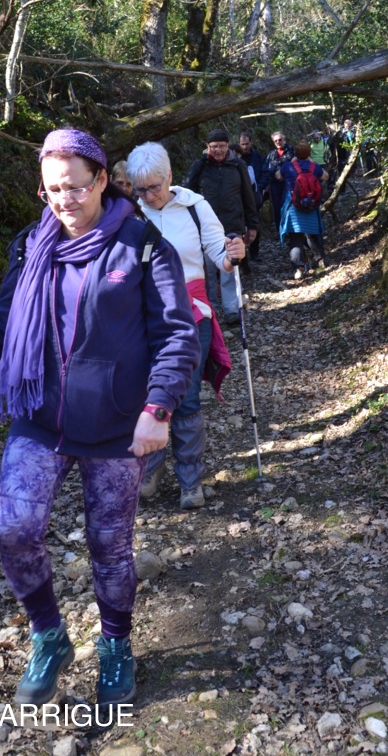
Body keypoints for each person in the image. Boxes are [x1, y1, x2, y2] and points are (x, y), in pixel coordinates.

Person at [0, 128, 200, 712]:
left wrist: (158, 409)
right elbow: (3, 324)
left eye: (76, 187)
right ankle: (49, 635)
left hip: (118, 426)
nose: (65, 200)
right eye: (52, 190)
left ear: (101, 179)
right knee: (13, 529)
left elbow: (177, 333)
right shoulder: (31, 245)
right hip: (39, 416)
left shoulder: (142, 245)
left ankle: (115, 644)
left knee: (109, 546)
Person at [126, 142, 245, 510]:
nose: (149, 196)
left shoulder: (195, 206)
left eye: (154, 187)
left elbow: (218, 252)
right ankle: (150, 469)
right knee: (145, 394)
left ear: (170, 177)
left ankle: (190, 479)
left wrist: (232, 255)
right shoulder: (128, 214)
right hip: (141, 316)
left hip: (192, 312)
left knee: (187, 396)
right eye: (141, 189)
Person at [183, 128, 258, 324]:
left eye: (222, 146)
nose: (218, 150)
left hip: (232, 225)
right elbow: (186, 195)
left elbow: (248, 196)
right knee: (207, 270)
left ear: (228, 146)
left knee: (229, 269)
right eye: (214, 146)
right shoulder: (199, 166)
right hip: (205, 228)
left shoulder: (238, 165)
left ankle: (231, 309)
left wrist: (252, 224)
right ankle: (210, 309)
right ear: (207, 146)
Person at [276, 139, 329, 280]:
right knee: (312, 233)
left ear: (295, 154)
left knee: (296, 238)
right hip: (311, 206)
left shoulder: (288, 167)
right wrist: (311, 162)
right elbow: (326, 176)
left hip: (293, 208)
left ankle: (298, 268)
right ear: (309, 153)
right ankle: (320, 259)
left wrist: (292, 163)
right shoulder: (314, 167)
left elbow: (278, 176)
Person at [236, 130, 265, 260]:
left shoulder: (257, 157)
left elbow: (266, 172)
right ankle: (242, 254)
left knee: (254, 223)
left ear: (251, 143)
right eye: (242, 144)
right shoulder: (235, 158)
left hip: (254, 194)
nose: (245, 146)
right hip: (238, 196)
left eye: (247, 144)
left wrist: (260, 187)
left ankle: (255, 252)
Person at [262, 130, 295, 231]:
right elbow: (266, 170)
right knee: (277, 207)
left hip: (289, 184)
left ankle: (290, 230)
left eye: (280, 140)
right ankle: (280, 230)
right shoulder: (271, 154)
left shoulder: (292, 152)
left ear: (284, 140)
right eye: (275, 141)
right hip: (274, 185)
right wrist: (265, 186)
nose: (278, 142)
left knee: (288, 206)